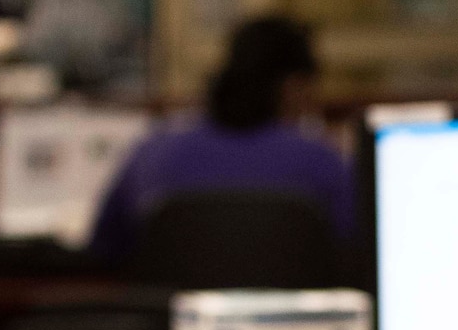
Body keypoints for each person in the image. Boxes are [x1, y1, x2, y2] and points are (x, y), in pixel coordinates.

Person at [88, 16, 353, 261]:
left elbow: (103, 249)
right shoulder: (323, 163)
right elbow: (355, 252)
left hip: (171, 310)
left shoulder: (154, 151)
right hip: (296, 310)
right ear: (293, 87)